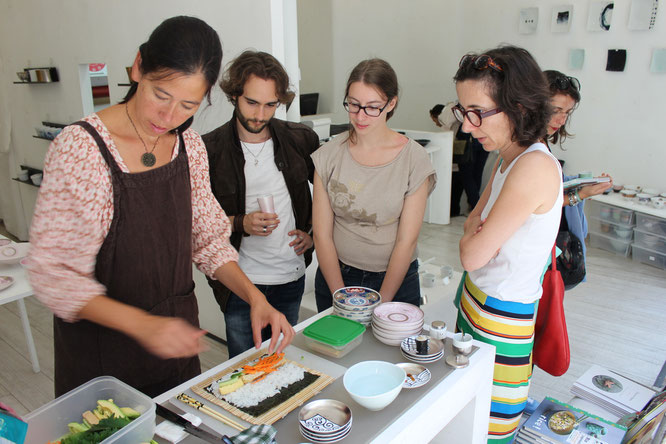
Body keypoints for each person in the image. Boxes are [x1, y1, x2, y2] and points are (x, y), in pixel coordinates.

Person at [26, 16, 294, 397]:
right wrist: (145, 326)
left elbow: (209, 240)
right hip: (103, 355)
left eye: (189, 104)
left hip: (176, 345)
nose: (169, 117)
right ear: (138, 68)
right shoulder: (82, 149)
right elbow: (55, 276)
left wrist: (256, 298)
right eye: (160, 95)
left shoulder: (190, 147)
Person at [453, 46, 563, 443]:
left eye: (477, 112)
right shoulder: (505, 156)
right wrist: (474, 231)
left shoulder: (533, 165)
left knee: (488, 430)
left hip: (502, 322)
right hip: (476, 303)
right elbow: (471, 222)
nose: (467, 126)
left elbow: (470, 253)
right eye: (463, 111)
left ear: (517, 105)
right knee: (465, 418)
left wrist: (475, 235)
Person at [202, 51, 320, 358]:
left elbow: (328, 196)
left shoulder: (300, 139)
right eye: (252, 102)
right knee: (247, 370)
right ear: (234, 95)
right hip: (241, 283)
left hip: (290, 276)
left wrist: (314, 234)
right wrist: (240, 222)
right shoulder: (208, 150)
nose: (260, 114)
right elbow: (197, 224)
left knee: (282, 364)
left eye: (270, 104)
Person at [312, 58, 436, 312]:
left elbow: (407, 241)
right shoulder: (328, 155)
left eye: (372, 107)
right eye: (353, 105)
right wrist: (341, 298)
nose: (360, 116)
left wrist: (381, 304)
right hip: (337, 275)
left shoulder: (414, 159)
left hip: (395, 280)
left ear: (391, 103)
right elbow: (322, 235)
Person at [544, 70, 612, 288]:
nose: (562, 119)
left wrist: (579, 185)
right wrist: (580, 194)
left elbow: (545, 193)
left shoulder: (539, 143)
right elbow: (537, 206)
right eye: (556, 110)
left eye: (567, 112)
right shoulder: (530, 150)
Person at [430, 103, 488, 216]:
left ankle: (476, 208)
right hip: (482, 142)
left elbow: (446, 128)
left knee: (467, 177)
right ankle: (476, 207)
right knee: (477, 175)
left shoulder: (449, 110)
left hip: (468, 146)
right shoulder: (475, 107)